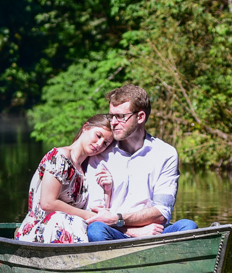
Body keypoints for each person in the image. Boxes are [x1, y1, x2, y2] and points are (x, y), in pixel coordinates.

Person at [84, 84, 197, 241]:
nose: (113, 123)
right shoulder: (101, 152)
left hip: (155, 232)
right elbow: (96, 214)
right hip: (115, 232)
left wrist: (118, 218)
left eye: (121, 116)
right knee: (96, 230)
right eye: (111, 116)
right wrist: (131, 231)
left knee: (188, 226)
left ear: (140, 117)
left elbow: (162, 213)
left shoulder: (166, 154)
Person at [15, 114, 115, 244]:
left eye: (106, 143)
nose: (100, 144)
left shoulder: (86, 171)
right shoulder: (60, 157)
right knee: (61, 219)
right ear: (86, 127)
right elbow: (47, 203)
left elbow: (96, 212)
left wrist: (108, 190)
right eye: (98, 135)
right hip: (41, 233)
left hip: (69, 234)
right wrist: (86, 216)